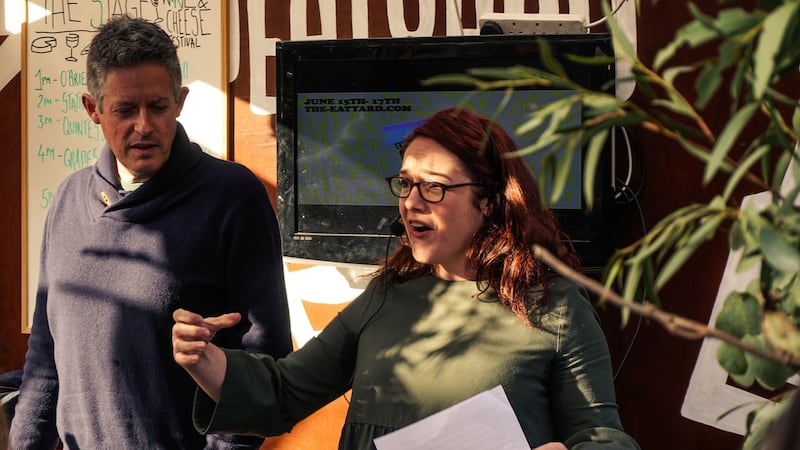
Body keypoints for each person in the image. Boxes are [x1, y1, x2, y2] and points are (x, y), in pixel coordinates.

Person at [172, 107, 640, 449]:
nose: (412, 201)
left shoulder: (554, 305)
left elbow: (601, 435)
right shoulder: (385, 294)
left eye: (434, 186)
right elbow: (283, 393)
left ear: (491, 201)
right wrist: (206, 360)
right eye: (406, 182)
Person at [10, 16, 292, 449]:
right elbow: (46, 359)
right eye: (125, 109)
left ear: (179, 101)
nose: (143, 125)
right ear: (93, 109)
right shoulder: (68, 200)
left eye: (157, 107)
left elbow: (265, 359)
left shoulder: (233, 198)